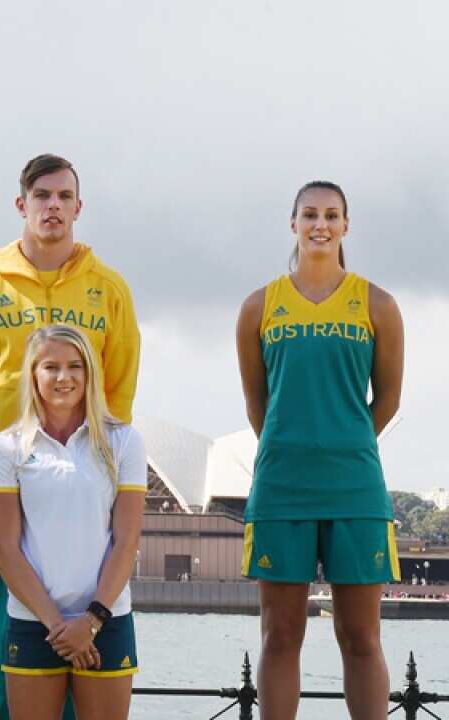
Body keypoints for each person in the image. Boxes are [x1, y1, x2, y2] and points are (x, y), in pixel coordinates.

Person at [0, 153, 141, 720]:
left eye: (63, 197)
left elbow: (120, 390)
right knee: (8, 636)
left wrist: (95, 468)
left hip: (91, 490)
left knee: (93, 639)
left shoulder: (109, 289)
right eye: (41, 196)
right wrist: (7, 461)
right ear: (22, 204)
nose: (52, 206)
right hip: (14, 489)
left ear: (78, 207)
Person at [236, 181, 404, 720]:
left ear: (346, 226)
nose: (320, 225)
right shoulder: (259, 307)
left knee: (361, 637)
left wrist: (343, 441)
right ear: (293, 224)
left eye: (332, 215)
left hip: (354, 487)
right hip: (282, 488)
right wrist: (292, 448)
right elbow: (257, 404)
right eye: (310, 214)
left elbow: (389, 400)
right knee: (280, 636)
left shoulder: (377, 305)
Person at [0, 325, 146, 720]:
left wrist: (90, 622)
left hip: (106, 619)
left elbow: (125, 543)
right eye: (51, 366)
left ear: (89, 374)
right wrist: (58, 626)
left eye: (75, 366)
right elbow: (5, 550)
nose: (64, 377)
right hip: (34, 620)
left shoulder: (123, 441)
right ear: (33, 375)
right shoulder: (8, 447)